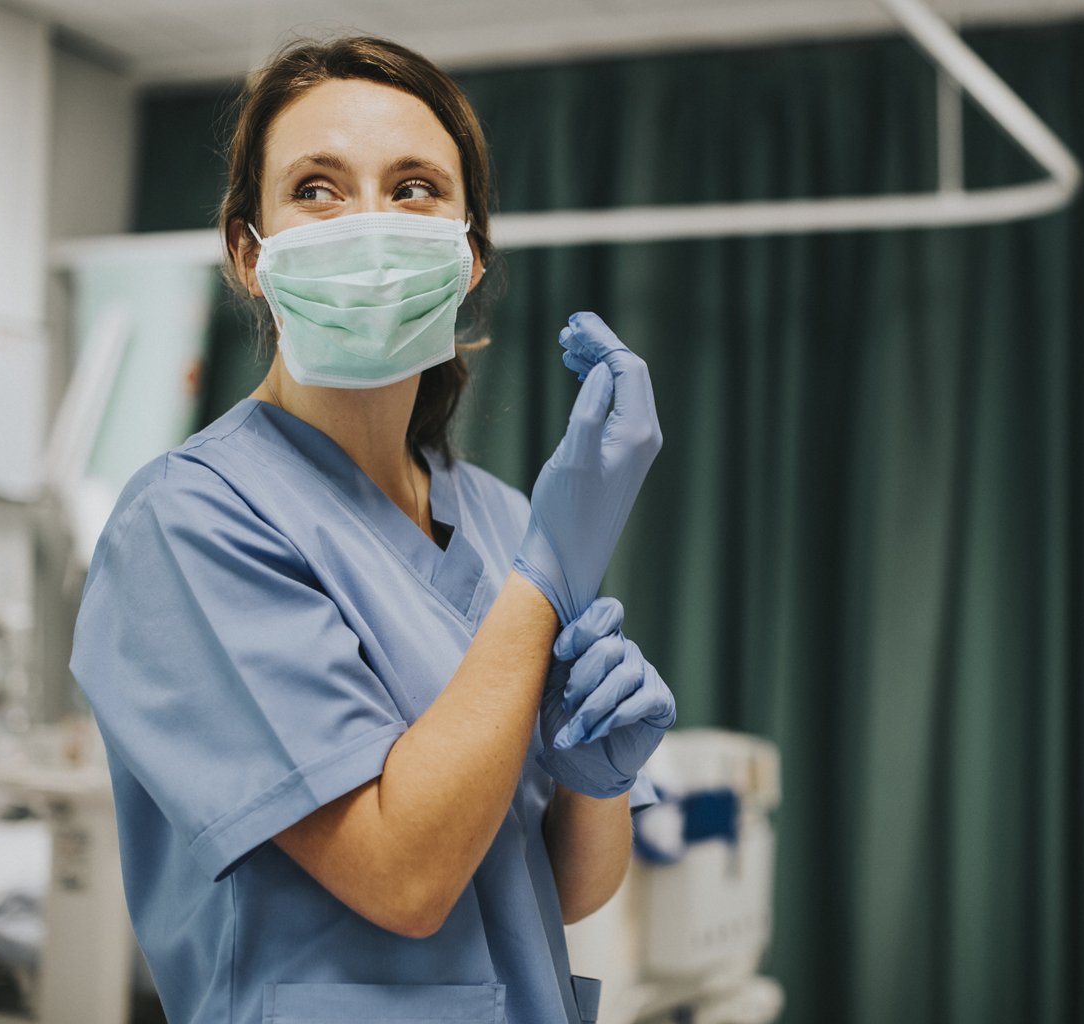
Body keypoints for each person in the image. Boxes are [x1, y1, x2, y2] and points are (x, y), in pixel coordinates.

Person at [69, 36, 674, 1024]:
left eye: (414, 188)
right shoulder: (187, 523)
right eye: (316, 187)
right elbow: (404, 877)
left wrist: (595, 779)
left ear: (468, 253)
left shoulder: (502, 521)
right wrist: (547, 578)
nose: (368, 225)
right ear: (247, 252)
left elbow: (549, 890)